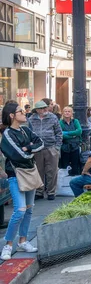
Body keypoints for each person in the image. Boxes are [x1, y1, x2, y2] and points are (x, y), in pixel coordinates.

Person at [0, 102, 43, 260]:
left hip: (29, 173)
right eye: (20, 111)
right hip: (16, 175)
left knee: (29, 209)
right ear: (12, 115)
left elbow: (41, 143)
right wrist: (30, 149)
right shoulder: (7, 135)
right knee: (20, 210)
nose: (24, 113)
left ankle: (23, 240)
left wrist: (29, 148)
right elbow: (19, 155)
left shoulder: (25, 130)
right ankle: (8, 244)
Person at [28, 100, 63, 201]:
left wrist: (57, 147)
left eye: (45, 108)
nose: (44, 110)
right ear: (37, 110)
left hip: (51, 147)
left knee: (52, 171)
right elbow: (29, 133)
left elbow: (59, 133)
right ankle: (39, 191)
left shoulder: (52, 117)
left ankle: (51, 192)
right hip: (37, 148)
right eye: (41, 108)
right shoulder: (31, 119)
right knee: (38, 171)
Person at [59, 106, 83, 176]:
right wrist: (73, 135)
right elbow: (61, 134)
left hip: (75, 146)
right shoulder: (60, 122)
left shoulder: (75, 121)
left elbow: (79, 131)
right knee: (65, 165)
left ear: (72, 113)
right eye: (65, 111)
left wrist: (67, 133)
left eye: (69, 111)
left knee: (75, 164)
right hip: (65, 146)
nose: (67, 113)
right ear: (63, 113)